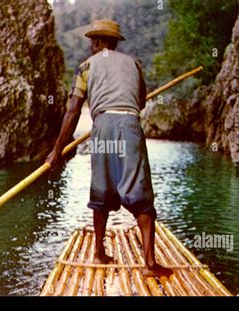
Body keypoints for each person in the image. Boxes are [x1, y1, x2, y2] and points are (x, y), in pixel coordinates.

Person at [45, 20, 172, 277]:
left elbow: (72, 111)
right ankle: (149, 264)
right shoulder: (134, 65)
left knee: (101, 189)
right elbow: (140, 103)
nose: (91, 45)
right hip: (129, 125)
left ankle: (99, 253)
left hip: (102, 126)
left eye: (94, 41)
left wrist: (57, 151)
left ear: (100, 42)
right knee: (140, 193)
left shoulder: (86, 67)